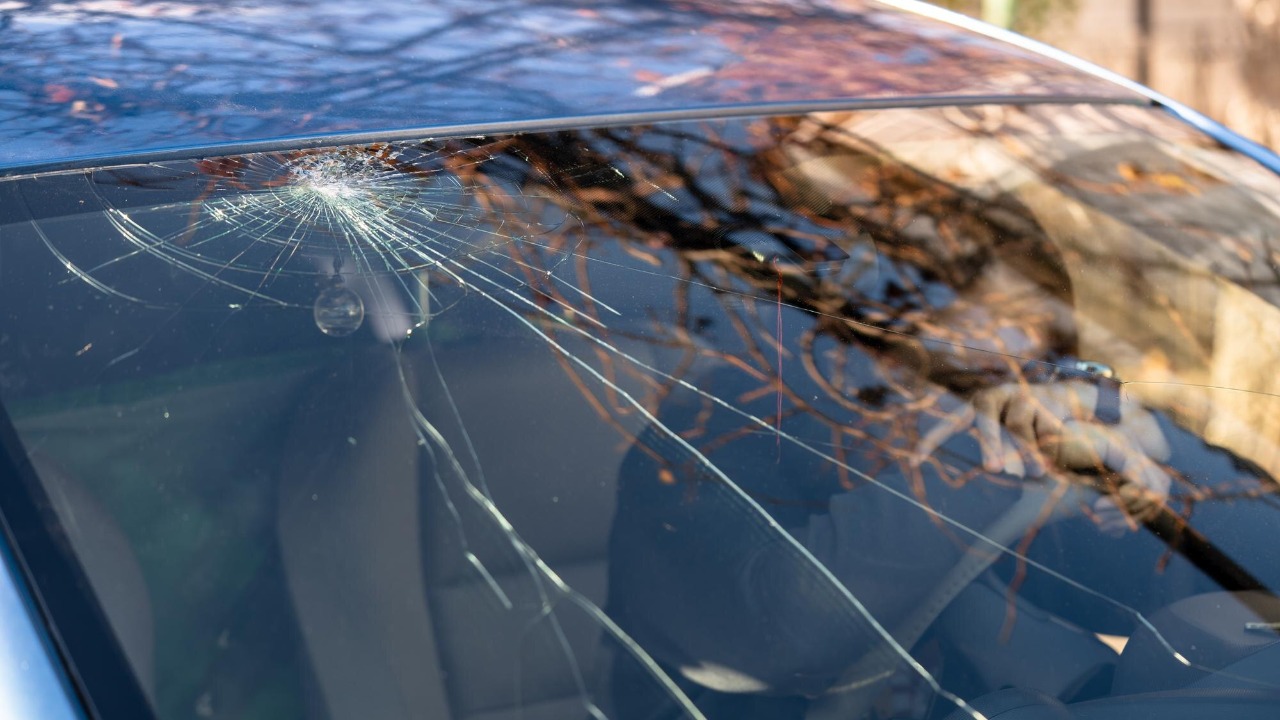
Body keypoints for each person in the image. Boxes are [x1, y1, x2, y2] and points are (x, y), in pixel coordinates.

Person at [601, 201, 1272, 719]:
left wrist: (1176, 470)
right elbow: (774, 635)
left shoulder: (1031, 451)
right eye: (973, 366)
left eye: (1041, 360)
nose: (1024, 395)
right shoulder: (701, 450)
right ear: (859, 352)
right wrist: (973, 458)